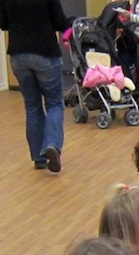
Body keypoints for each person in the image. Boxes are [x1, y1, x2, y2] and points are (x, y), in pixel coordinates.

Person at [0, 0, 73, 172]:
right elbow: (60, 23)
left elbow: (3, 25)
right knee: (55, 103)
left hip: (18, 55)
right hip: (45, 53)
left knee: (32, 107)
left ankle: (38, 157)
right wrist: (72, 21)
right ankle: (52, 145)